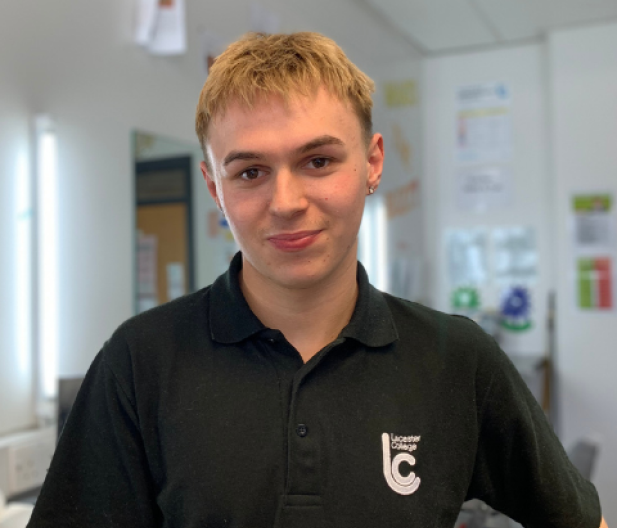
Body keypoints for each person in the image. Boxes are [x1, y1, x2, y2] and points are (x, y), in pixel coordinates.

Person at [28, 32, 606, 528]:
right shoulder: (140, 363)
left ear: (373, 163)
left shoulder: (458, 360)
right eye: (250, 171)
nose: (286, 202)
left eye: (319, 161)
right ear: (214, 188)